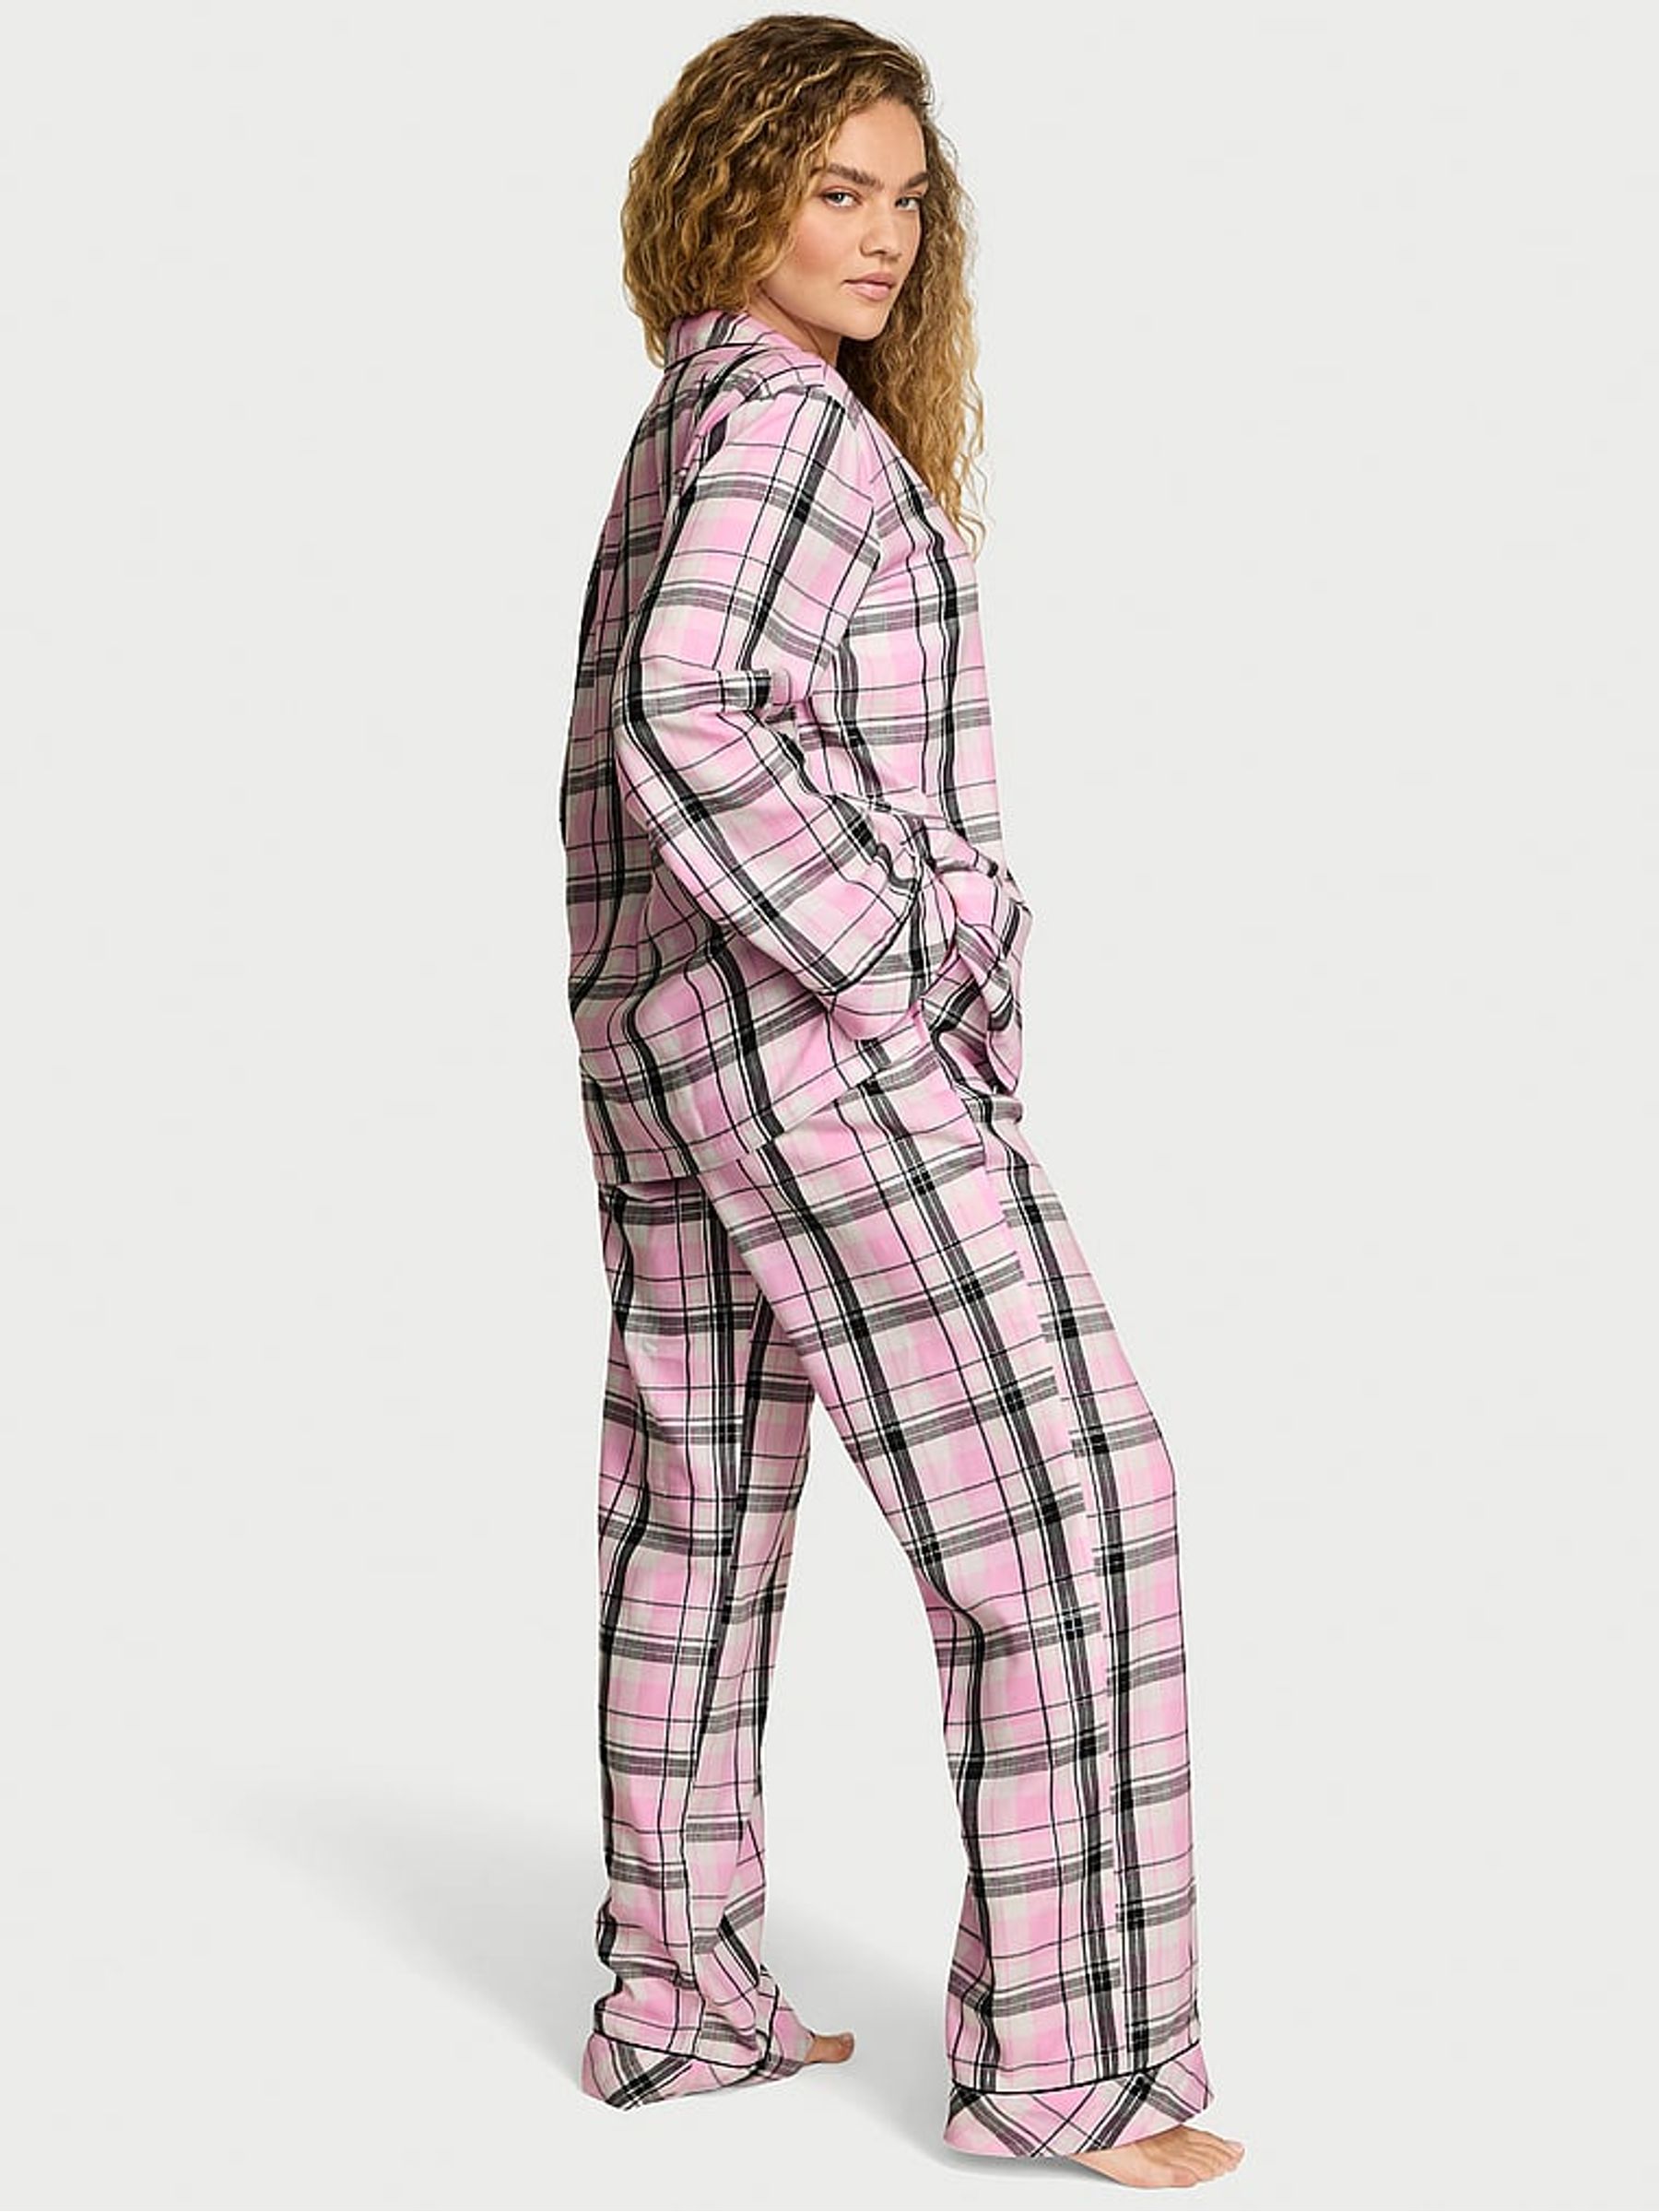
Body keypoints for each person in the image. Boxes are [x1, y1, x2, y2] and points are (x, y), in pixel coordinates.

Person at [558, 13, 1245, 2188]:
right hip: (805, 1048)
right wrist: (907, 945)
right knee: (1072, 1502)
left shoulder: (699, 411)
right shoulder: (791, 433)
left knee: (696, 1509)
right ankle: (1072, 2067)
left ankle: (680, 2003)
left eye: (906, 200)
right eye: (834, 190)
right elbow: (688, 709)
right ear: (732, 192)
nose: (882, 237)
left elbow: (656, 726)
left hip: (668, 1040)